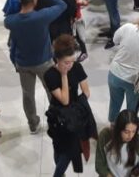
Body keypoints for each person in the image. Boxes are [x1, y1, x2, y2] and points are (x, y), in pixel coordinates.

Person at [3, 0, 67, 134]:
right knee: (52, 91)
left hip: (23, 64)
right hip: (44, 62)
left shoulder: (11, 22)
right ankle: (56, 119)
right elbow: (62, 5)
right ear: (34, 0)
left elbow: (8, 16)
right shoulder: (42, 16)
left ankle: (33, 124)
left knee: (28, 94)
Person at [44, 34, 95, 177]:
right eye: (66, 62)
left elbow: (86, 92)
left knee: (70, 149)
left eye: (72, 61)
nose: (70, 65)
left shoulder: (77, 67)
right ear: (57, 60)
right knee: (58, 147)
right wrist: (64, 75)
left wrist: (77, 109)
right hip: (57, 116)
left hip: (74, 116)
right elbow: (64, 100)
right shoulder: (50, 75)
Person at [96, 110, 139, 177]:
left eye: (133, 131)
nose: (130, 136)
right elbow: (99, 165)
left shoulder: (138, 142)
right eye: (126, 132)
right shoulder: (105, 136)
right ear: (119, 129)